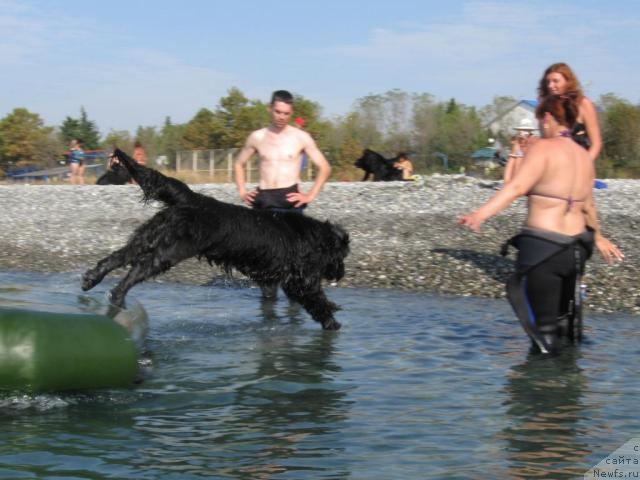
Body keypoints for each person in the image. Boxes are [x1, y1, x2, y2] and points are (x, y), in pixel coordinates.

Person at [459, 95, 622, 354]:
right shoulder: (582, 155)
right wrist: (598, 237)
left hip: (543, 248)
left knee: (542, 333)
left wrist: (480, 214)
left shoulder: (544, 148)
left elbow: (517, 186)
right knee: (565, 327)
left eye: (539, 121)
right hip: (577, 249)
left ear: (547, 117)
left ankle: (542, 390)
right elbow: (589, 206)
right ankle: (570, 387)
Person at [234, 90, 332, 297]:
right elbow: (239, 164)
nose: (281, 117)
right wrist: (242, 191)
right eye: (277, 112)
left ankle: (294, 312)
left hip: (290, 201)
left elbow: (324, 167)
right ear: (270, 109)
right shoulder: (257, 137)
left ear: (291, 112)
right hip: (264, 202)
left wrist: (310, 195)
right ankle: (268, 313)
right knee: (266, 261)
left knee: (296, 261)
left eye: (286, 113)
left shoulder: (300, 137)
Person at [538, 62, 602, 162]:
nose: (550, 85)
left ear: (568, 82)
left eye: (555, 81)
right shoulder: (545, 109)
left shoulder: (583, 104)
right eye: (548, 82)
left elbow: (596, 144)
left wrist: (585, 165)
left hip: (579, 163)